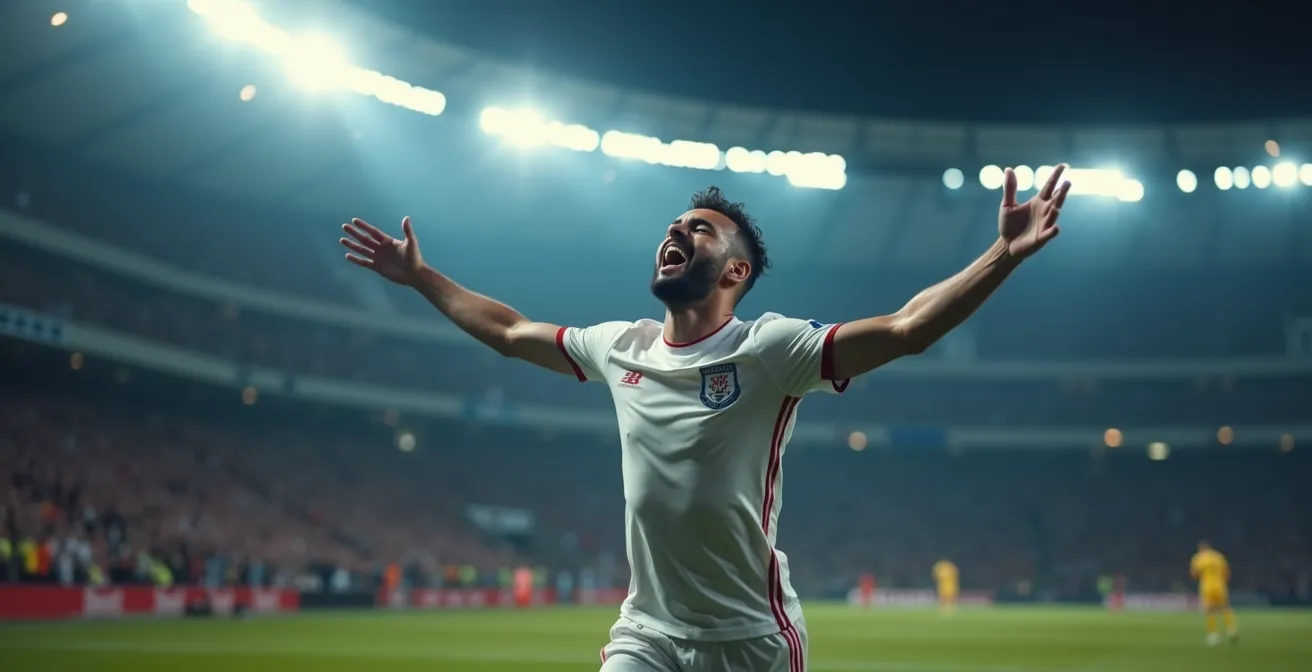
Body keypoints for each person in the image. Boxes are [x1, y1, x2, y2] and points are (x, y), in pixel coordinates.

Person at [340, 165, 1071, 672]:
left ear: (735, 273)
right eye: (674, 224)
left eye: (700, 229)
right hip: (648, 631)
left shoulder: (771, 349)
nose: (678, 230)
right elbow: (508, 330)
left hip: (749, 638)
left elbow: (908, 328)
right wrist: (421, 277)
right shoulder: (617, 345)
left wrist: (1000, 256)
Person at [1190, 540, 1238, 645]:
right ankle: (1231, 630)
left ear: (1200, 549)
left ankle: (1213, 635)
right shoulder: (1218, 556)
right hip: (1220, 585)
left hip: (1207, 586)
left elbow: (1194, 574)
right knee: (1225, 607)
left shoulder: (1198, 558)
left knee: (1209, 610)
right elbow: (1227, 573)